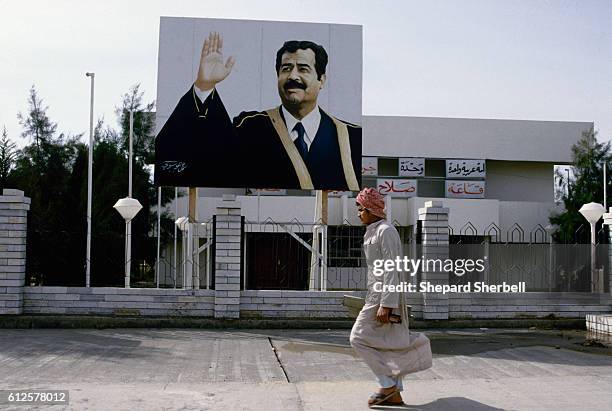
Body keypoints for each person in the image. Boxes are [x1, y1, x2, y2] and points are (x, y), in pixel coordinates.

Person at [155, 31, 361, 191]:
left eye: (303, 69)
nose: (293, 76)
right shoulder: (251, 127)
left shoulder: (350, 136)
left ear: (321, 80)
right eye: (286, 68)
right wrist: (204, 87)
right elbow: (203, 156)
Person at [350, 188, 432, 407]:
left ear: (369, 209)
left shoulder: (386, 231)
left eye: (360, 209)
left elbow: (392, 269)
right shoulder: (373, 230)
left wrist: (386, 304)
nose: (358, 214)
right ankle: (394, 393)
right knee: (389, 344)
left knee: (357, 338)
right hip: (375, 295)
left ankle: (387, 386)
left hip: (384, 298)